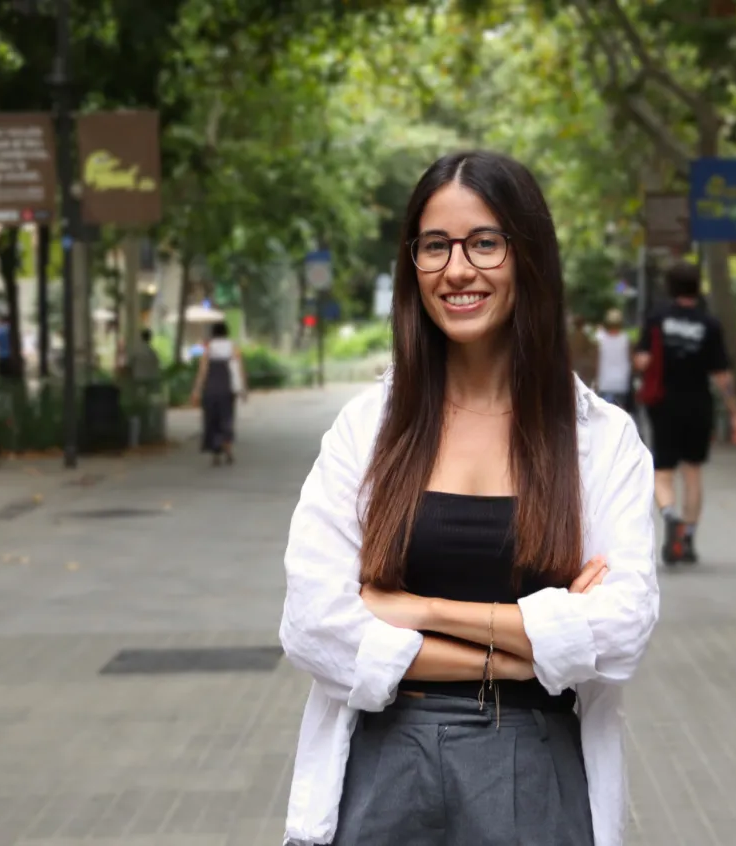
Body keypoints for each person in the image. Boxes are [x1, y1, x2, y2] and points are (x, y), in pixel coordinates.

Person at [279, 151, 658, 846]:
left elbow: (622, 629)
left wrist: (419, 610)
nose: (457, 269)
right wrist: (518, 651)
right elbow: (312, 623)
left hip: (532, 769)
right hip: (383, 762)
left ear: (528, 256)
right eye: (435, 246)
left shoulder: (599, 440)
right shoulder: (367, 430)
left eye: (484, 242)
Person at [633, 260, 736, 565]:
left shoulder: (657, 318)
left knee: (663, 472)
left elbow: (642, 361)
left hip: (663, 404)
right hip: (698, 404)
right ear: (698, 287)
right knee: (693, 472)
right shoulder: (709, 324)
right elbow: (722, 375)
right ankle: (689, 539)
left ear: (670, 287)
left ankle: (670, 516)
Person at [189, 322, 247, 466]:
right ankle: (227, 448)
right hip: (227, 389)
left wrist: (196, 391)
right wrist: (243, 389)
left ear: (213, 333)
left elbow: (202, 372)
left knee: (212, 420)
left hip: (210, 390)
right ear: (226, 332)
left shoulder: (208, 348)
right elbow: (239, 370)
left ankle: (215, 453)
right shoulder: (233, 347)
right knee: (226, 419)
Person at [595, 307, 633, 411]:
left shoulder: (600, 339)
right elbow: (631, 360)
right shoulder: (626, 339)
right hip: (621, 384)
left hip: (605, 383)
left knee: (605, 414)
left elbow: (596, 361)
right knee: (620, 414)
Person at [567, 313, 597, 387]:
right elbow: (591, 348)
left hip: (571, 364)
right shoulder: (584, 336)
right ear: (582, 324)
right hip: (582, 366)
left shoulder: (570, 336)